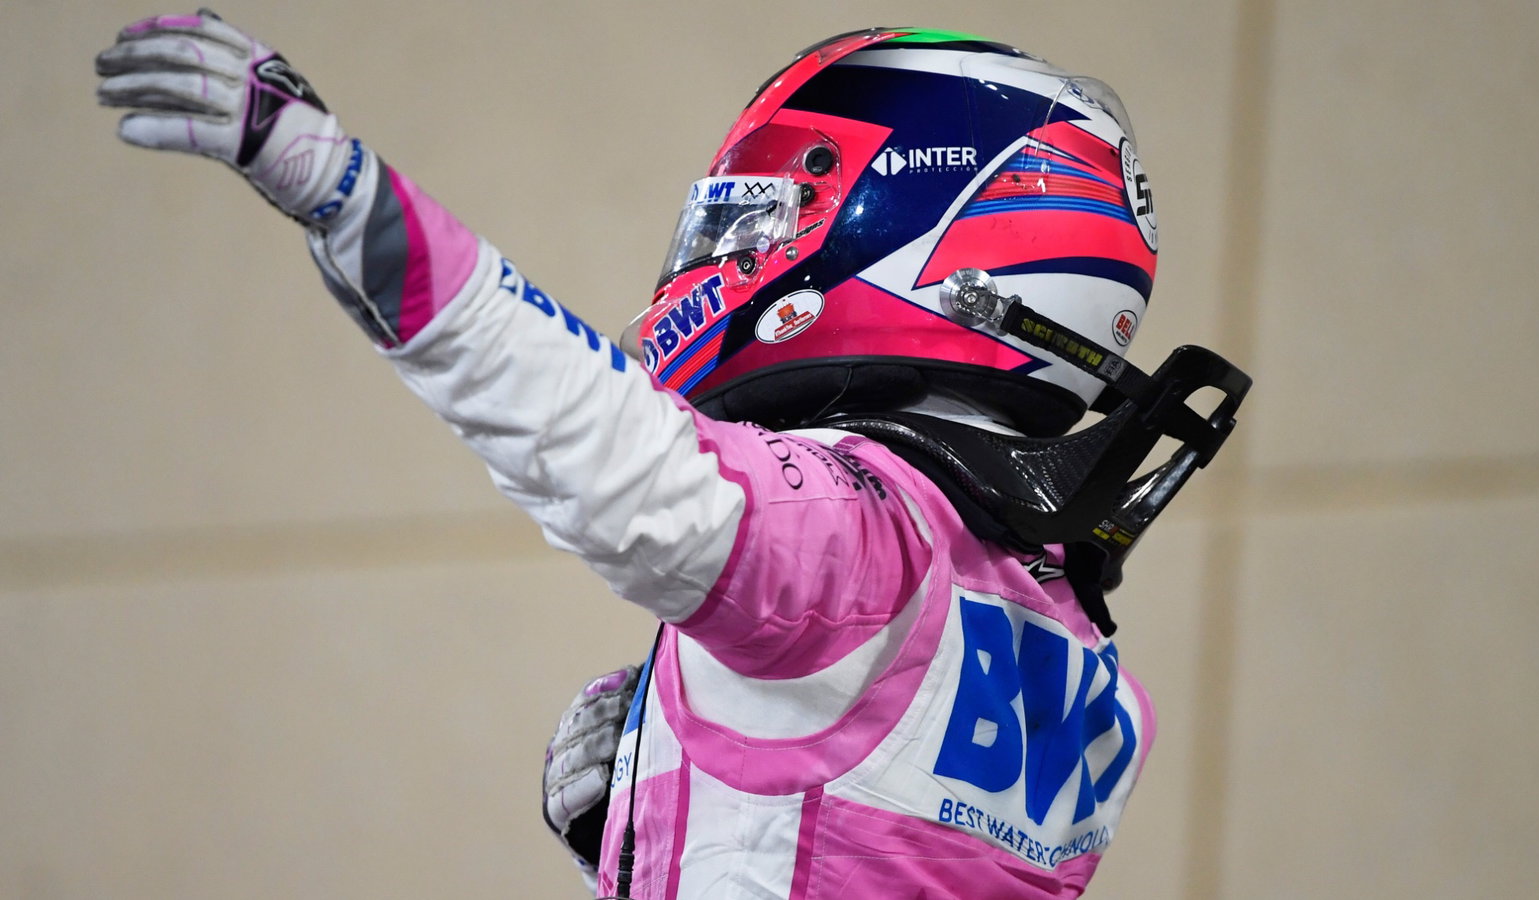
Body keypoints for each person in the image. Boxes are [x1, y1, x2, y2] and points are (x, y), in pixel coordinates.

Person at [96, 13, 1249, 899]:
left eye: (764, 216)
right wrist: (654, 825)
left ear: (940, 238)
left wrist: (342, 195)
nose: (725, 252)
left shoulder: (863, 541)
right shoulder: (1086, 660)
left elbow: (585, 438)